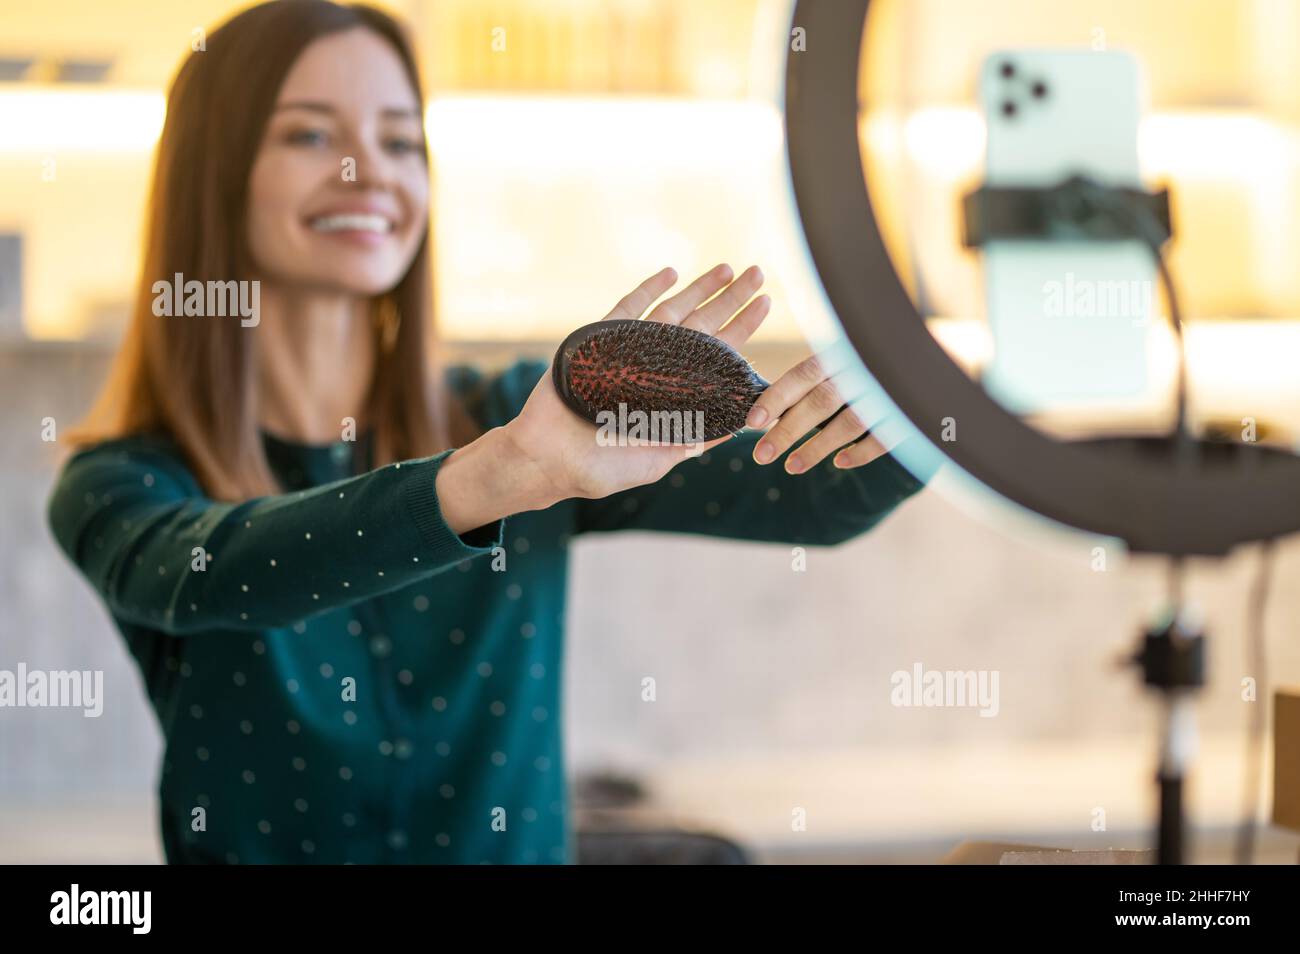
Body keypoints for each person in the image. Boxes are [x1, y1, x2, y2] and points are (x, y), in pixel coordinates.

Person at [46, 0, 927, 864]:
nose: (369, 173)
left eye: (398, 139)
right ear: (214, 172)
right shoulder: (117, 485)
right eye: (311, 135)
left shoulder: (520, 413)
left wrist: (923, 399)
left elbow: (823, 493)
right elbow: (226, 573)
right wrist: (511, 473)